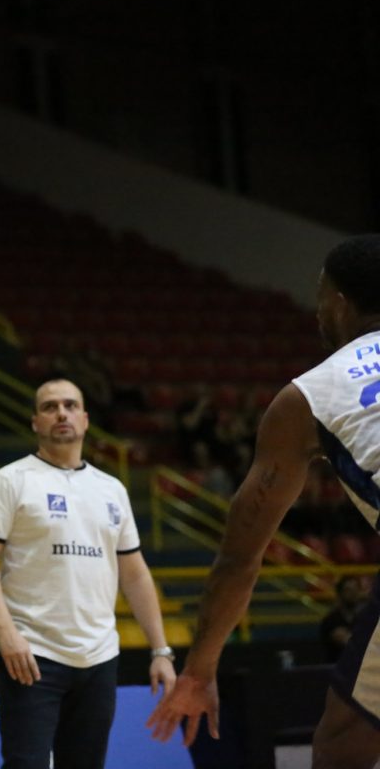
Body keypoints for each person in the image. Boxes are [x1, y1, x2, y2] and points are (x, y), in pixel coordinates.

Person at [149, 235, 380, 767]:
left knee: (343, 743)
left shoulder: (310, 396)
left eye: (321, 295)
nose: (317, 309)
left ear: (339, 302)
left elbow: (240, 557)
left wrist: (200, 671)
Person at [0, 378, 176, 769]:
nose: (61, 413)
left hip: (98, 658)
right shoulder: (8, 481)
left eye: (69, 405)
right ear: (35, 422)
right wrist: (7, 632)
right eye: (49, 407)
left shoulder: (112, 489)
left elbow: (135, 574)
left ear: (85, 418)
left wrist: (160, 650)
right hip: (30, 654)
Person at [322, 576, 367, 664]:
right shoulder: (331, 620)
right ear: (340, 593)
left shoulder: (363, 619)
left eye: (356, 590)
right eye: (348, 590)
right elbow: (350, 643)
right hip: (337, 671)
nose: (353, 594)